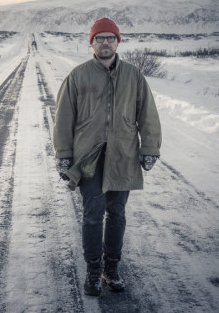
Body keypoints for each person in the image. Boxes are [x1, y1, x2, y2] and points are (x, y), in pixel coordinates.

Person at [53, 17, 162, 296]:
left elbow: (147, 115)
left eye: (110, 38)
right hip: (88, 158)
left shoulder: (133, 75)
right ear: (91, 43)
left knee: (117, 214)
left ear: (117, 42)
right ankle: (93, 269)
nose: (105, 42)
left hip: (122, 155)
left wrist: (150, 148)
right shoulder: (78, 75)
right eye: (99, 38)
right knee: (93, 214)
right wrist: (64, 154)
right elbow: (63, 118)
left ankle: (111, 267)